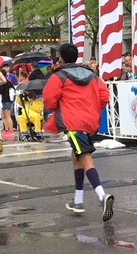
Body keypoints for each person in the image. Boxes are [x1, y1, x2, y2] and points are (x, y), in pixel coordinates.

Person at [42, 42, 114, 221]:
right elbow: (104, 96)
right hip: (90, 121)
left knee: (85, 158)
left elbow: (49, 100)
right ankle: (78, 200)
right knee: (76, 156)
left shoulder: (59, 76)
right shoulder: (92, 75)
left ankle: (102, 196)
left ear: (62, 58)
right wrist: (92, 109)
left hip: (73, 122)